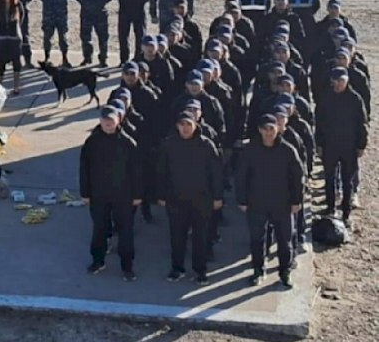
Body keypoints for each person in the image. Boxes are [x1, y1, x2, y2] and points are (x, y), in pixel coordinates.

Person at [236, 114, 303, 288]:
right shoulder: (250, 150)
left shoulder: (288, 150)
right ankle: (258, 270)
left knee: (285, 241)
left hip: (282, 203)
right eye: (265, 129)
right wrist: (241, 200)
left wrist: (297, 200)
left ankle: (285, 272)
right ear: (259, 130)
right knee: (257, 239)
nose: (268, 132)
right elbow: (241, 176)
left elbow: (297, 177)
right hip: (257, 203)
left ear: (278, 129)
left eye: (271, 128)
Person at [157, 112, 222, 285]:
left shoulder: (206, 145)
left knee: (201, 237)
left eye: (188, 124)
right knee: (177, 236)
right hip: (176, 200)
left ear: (195, 125)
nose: (185, 128)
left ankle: (200, 270)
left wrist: (217, 197)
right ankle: (177, 268)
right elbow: (161, 172)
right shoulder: (169, 144)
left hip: (201, 200)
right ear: (177, 126)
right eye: (182, 124)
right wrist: (162, 195)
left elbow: (216, 173)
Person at [79, 105, 142, 281]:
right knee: (99, 230)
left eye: (111, 120)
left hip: (123, 196)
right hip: (99, 195)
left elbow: (136, 171)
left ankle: (127, 266)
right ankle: (98, 261)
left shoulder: (128, 142)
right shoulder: (92, 142)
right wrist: (85, 193)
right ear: (100, 121)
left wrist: (137, 195)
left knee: (125, 232)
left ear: (118, 120)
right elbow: (84, 169)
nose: (108, 123)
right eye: (105, 120)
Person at [315, 67, 368, 224]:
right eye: (335, 80)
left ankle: (346, 211)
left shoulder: (355, 99)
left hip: (349, 147)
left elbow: (362, 125)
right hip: (330, 145)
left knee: (347, 180)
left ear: (347, 81)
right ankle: (330, 207)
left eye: (341, 81)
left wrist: (361, 145)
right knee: (330, 178)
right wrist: (319, 144)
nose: (338, 84)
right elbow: (319, 124)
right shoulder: (325, 98)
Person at [71, 0, 117, 67]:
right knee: (86, 38)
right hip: (86, 13)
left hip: (100, 14)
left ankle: (103, 59)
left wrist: (103, 1)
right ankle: (87, 58)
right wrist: (82, 1)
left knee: (103, 38)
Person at [36, 0, 73, 66]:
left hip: (61, 12)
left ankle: (65, 59)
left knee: (63, 36)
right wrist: (48, 1)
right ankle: (46, 58)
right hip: (48, 12)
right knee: (47, 36)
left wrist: (60, 0)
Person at [0, 0, 26, 95]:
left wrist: (14, 29)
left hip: (14, 38)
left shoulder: (18, 5)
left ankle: (16, 86)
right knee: (0, 63)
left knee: (16, 62)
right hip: (1, 38)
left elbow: (22, 19)